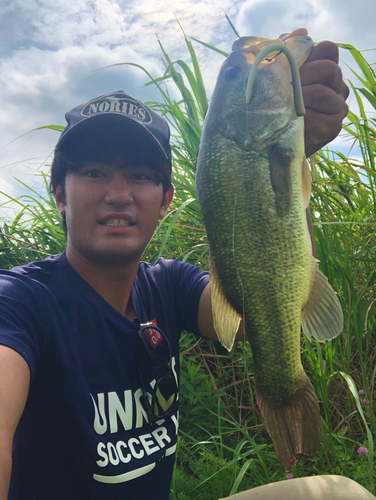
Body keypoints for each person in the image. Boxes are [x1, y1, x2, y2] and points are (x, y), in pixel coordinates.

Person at [0, 32, 370, 500]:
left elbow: (264, 312)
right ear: (59, 196)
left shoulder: (169, 286)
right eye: (94, 172)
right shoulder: (19, 303)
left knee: (341, 494)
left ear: (165, 201)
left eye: (140, 175)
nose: (119, 194)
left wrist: (295, 163)